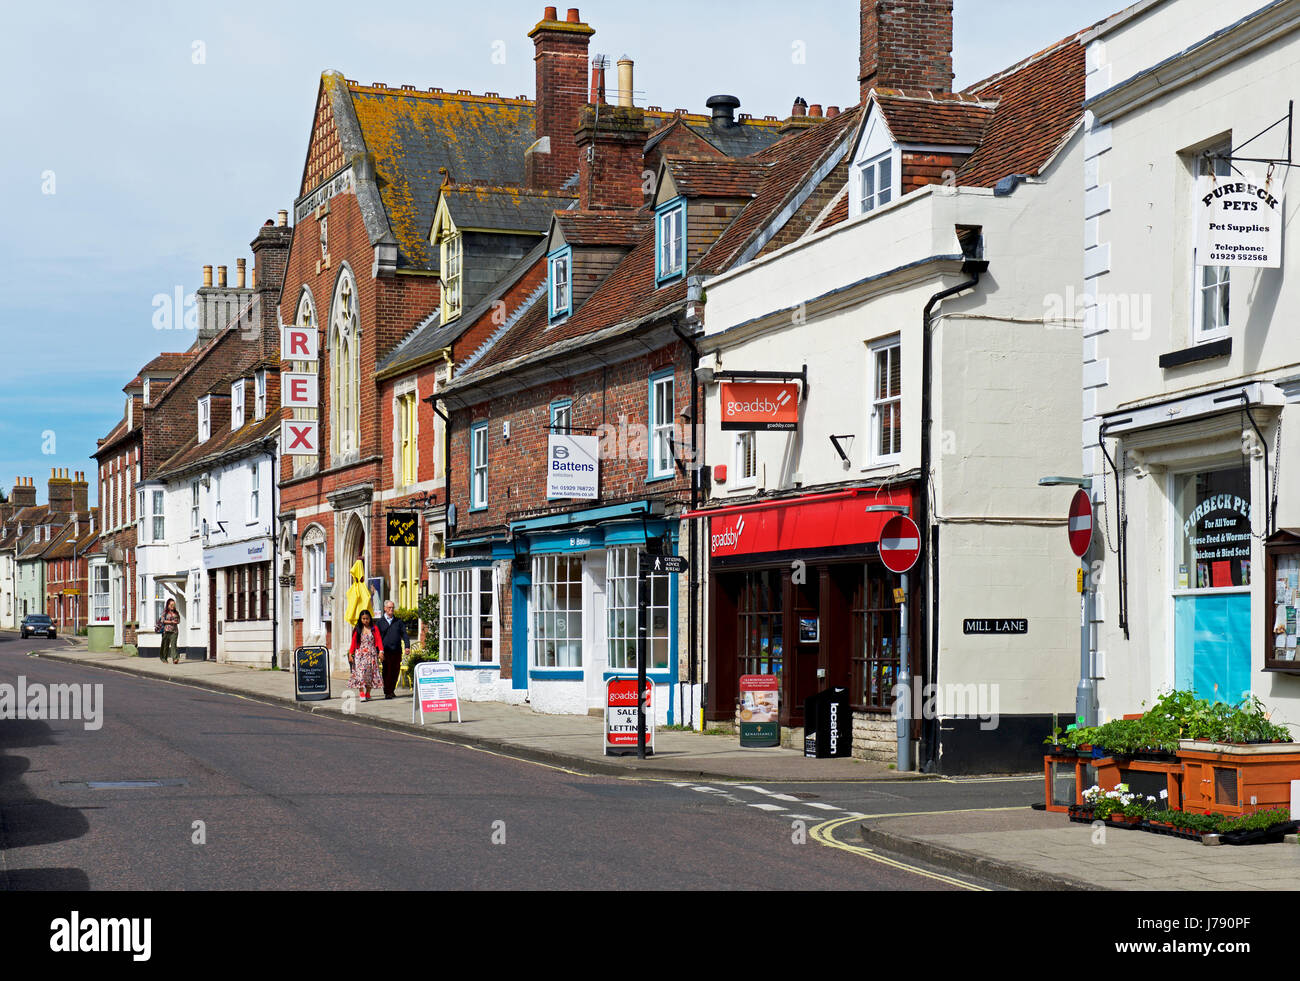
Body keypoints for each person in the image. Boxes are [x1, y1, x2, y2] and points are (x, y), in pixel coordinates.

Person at [377, 600, 411, 700]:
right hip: (385, 651)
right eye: (389, 608)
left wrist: (407, 646)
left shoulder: (398, 622)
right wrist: (379, 651)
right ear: (385, 608)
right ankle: (387, 691)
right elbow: (377, 638)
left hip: (396, 651)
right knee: (387, 671)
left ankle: (391, 690)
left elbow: (404, 634)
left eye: (392, 608)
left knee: (395, 671)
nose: (391, 610)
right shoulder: (380, 622)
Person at [348, 609, 384, 702]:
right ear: (360, 619)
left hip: (371, 655)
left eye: (367, 619)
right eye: (363, 619)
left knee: (370, 675)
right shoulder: (357, 629)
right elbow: (353, 642)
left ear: (370, 619)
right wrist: (350, 654)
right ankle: (361, 693)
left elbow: (379, 640)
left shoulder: (374, 628)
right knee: (360, 675)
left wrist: (381, 651)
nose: (365, 621)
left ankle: (368, 693)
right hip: (360, 655)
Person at [157, 598, 181, 664]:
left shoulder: (176, 612)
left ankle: (175, 659)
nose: (172, 606)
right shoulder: (165, 612)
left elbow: (179, 621)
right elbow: (162, 620)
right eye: (171, 605)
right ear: (168, 605)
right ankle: (164, 658)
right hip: (166, 631)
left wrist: (176, 622)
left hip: (174, 631)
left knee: (174, 645)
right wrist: (171, 621)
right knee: (165, 645)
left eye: (173, 605)